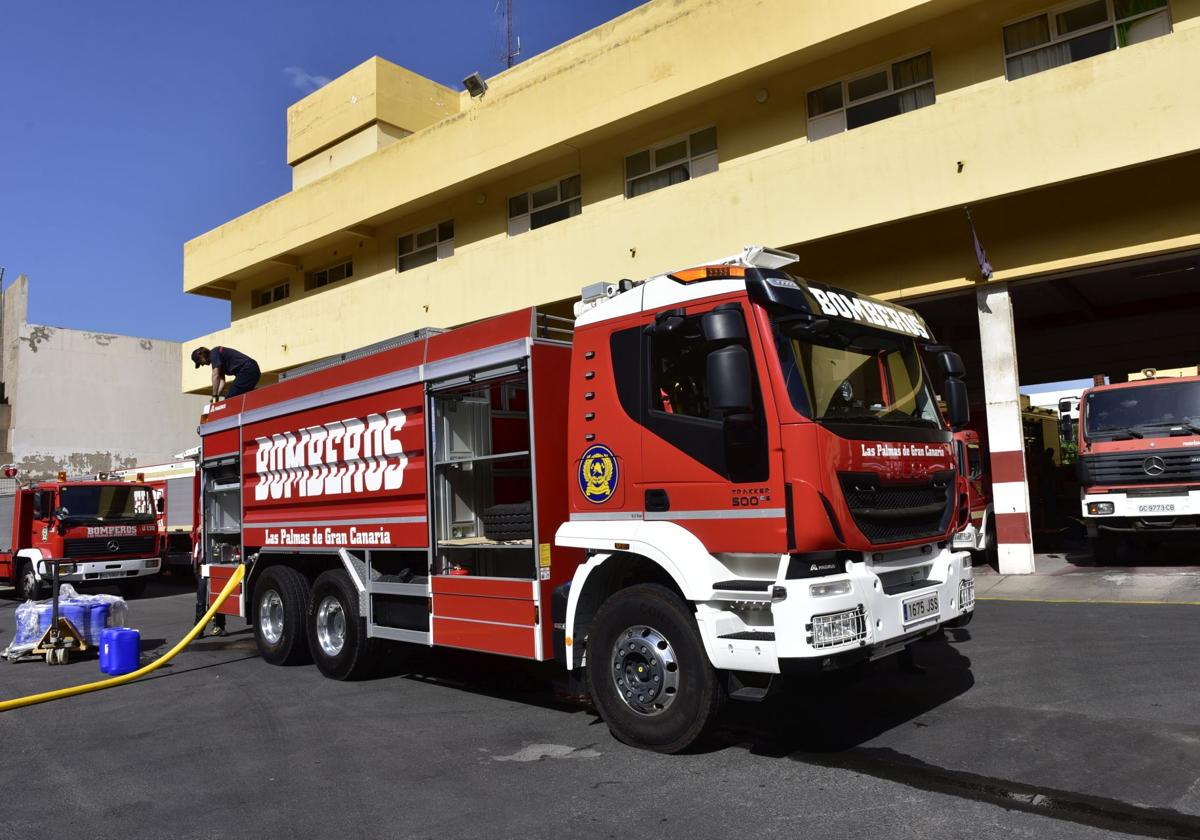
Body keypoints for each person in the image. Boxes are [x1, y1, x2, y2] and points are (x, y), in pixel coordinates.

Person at [192, 346, 260, 402]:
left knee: (230, 398)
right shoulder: (217, 360)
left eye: (200, 362)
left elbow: (215, 376)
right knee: (241, 396)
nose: (202, 365)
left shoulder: (214, 353)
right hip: (250, 371)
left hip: (248, 369)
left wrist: (214, 396)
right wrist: (217, 396)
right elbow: (222, 382)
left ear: (201, 355)